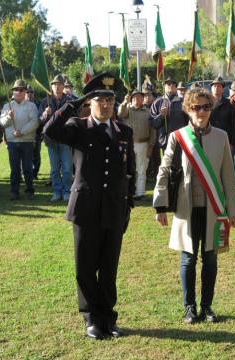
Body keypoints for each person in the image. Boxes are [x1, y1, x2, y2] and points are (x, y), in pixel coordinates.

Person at [44, 72, 136, 340]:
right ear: (90, 102)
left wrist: (128, 203)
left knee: (109, 266)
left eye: (110, 100)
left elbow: (128, 170)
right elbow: (49, 130)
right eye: (99, 100)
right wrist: (72, 104)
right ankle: (91, 319)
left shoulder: (124, 132)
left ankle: (108, 317)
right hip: (85, 207)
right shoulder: (78, 126)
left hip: (113, 208)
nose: (105, 105)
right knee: (85, 266)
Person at [153, 87, 235, 324]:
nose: (201, 111)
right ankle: (189, 308)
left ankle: (207, 307)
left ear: (211, 109)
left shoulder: (221, 136)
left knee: (210, 258)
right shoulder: (177, 136)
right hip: (186, 208)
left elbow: (228, 177)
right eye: (196, 107)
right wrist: (160, 206)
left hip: (214, 208)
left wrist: (232, 210)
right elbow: (164, 170)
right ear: (188, 109)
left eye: (206, 107)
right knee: (188, 258)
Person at [0, 80, 39, 200]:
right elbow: (2, 123)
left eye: (21, 90)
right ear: (13, 92)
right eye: (16, 89)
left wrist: (21, 132)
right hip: (12, 142)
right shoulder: (7, 106)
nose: (18, 92)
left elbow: (34, 123)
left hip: (27, 141)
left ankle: (29, 190)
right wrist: (8, 117)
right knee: (14, 169)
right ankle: (14, 191)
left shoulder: (31, 106)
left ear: (25, 92)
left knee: (27, 168)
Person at [39, 74, 73, 202]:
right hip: (51, 140)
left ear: (63, 86)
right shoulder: (44, 102)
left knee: (67, 168)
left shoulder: (70, 101)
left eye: (59, 84)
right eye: (54, 84)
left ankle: (66, 191)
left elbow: (75, 118)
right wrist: (44, 114)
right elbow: (40, 121)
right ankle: (57, 191)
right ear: (51, 87)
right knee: (54, 169)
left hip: (65, 139)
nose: (56, 87)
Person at [118, 89, 155, 200]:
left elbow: (153, 130)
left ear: (143, 99)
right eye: (134, 97)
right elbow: (120, 113)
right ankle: (129, 191)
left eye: (139, 97)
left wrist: (151, 146)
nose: (136, 99)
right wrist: (125, 102)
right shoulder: (127, 109)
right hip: (129, 144)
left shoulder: (148, 112)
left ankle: (140, 193)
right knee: (128, 168)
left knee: (141, 169)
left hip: (143, 143)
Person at [150, 77, 189, 150]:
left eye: (173, 84)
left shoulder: (183, 102)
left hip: (180, 140)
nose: (171, 85)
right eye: (168, 84)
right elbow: (153, 124)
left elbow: (189, 122)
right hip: (165, 142)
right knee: (167, 161)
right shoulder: (157, 103)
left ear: (176, 87)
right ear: (164, 87)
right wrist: (161, 116)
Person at [209, 76, 235, 148]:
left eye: (219, 86)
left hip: (225, 139)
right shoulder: (206, 103)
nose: (216, 88)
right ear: (211, 88)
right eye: (214, 86)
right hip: (209, 138)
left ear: (223, 89)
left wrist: (232, 142)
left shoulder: (229, 104)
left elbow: (234, 124)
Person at [25, 85, 42, 180]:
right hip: (25, 134)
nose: (29, 94)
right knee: (25, 155)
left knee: (36, 155)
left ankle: (35, 173)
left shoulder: (39, 104)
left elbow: (41, 119)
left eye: (31, 92)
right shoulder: (21, 104)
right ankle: (26, 173)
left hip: (37, 134)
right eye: (27, 92)